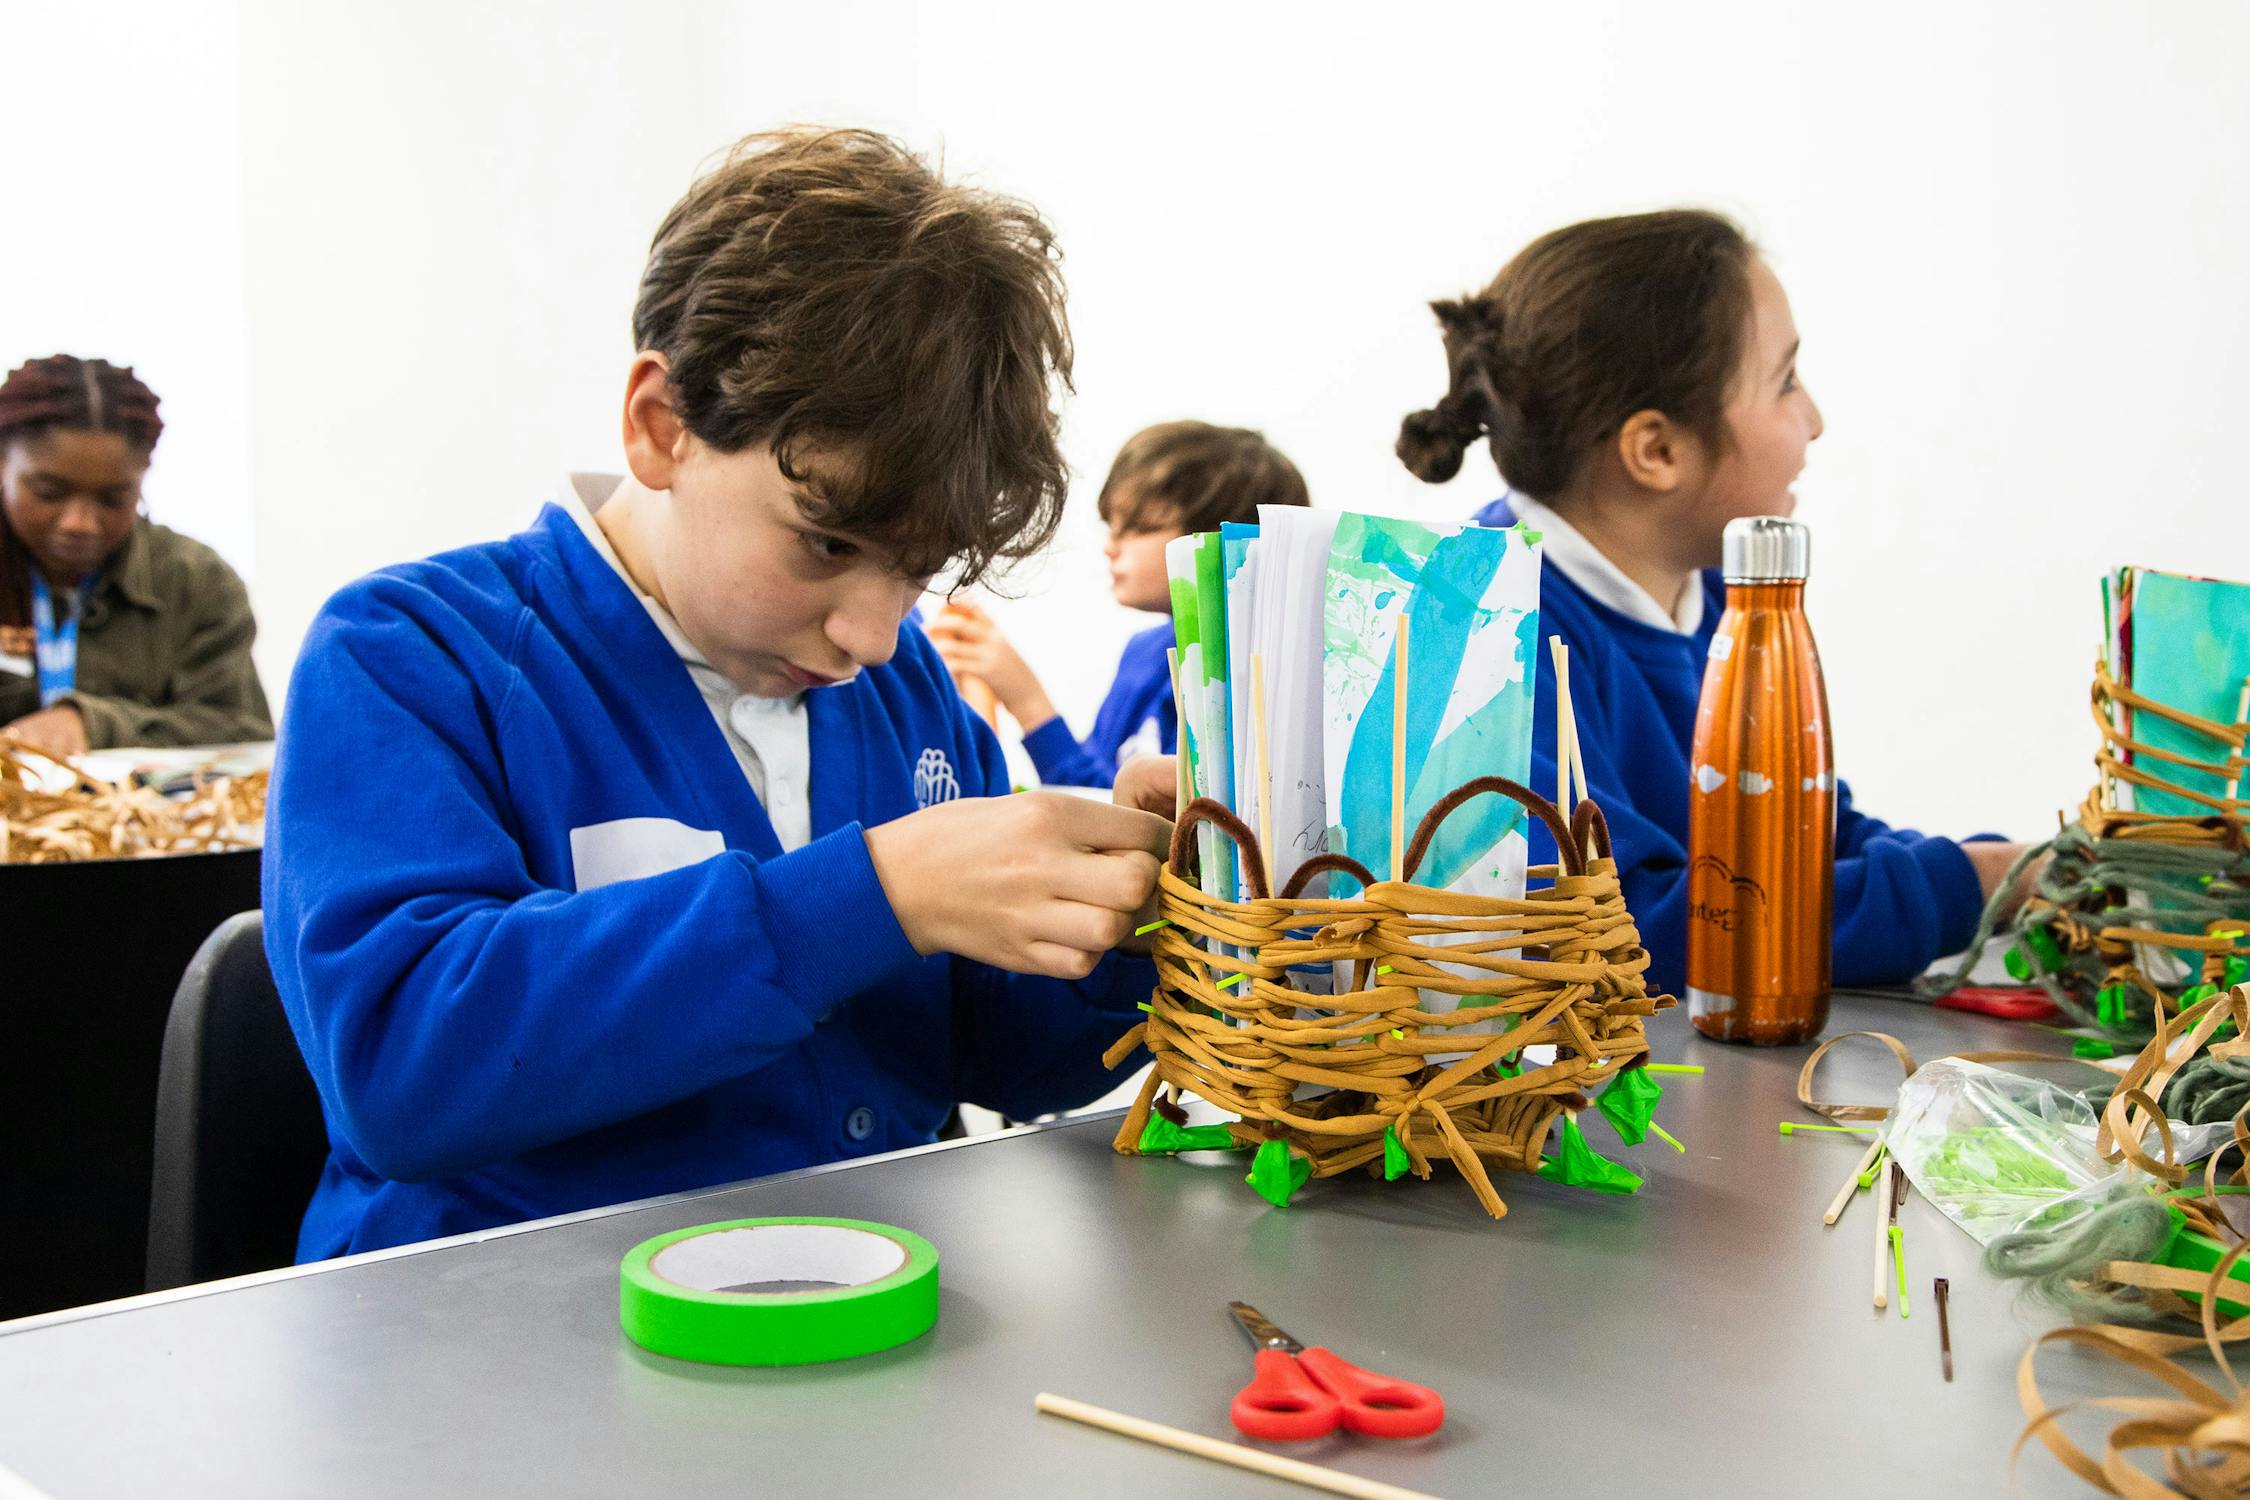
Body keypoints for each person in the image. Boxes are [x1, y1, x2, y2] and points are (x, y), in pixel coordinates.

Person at [264, 128, 1175, 1259]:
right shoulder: (411, 655)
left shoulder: (903, 693)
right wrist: (872, 895)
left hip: (865, 1328)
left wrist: (1137, 918)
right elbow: (401, 1067)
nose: (872, 634)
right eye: (827, 541)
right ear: (662, 426)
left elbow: (1006, 1058)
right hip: (496, 1350)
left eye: (921, 571)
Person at [1396, 209, 2028, 996]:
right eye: (1786, 382)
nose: (1816, 421)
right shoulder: (1492, 631)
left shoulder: (1735, 600)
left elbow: (1804, 834)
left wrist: (2009, 877)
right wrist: (1959, 886)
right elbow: (1626, 932)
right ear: (1657, 451)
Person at [929, 420, 1307, 787]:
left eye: (1140, 527)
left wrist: (1029, 703)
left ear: (1221, 539)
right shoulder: (1143, 654)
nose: (1111, 546)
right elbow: (1096, 794)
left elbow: (1142, 821)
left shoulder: (1255, 674)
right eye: (1112, 525)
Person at [0, 356, 270, 754]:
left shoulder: (196, 581)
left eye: (114, 498)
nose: (80, 522)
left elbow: (244, 732)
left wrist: (93, 725)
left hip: (146, 815)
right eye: (49, 492)